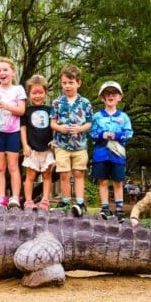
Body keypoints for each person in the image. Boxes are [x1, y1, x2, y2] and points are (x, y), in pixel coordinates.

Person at [50, 64, 93, 217]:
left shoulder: (85, 103)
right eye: (64, 83)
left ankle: (80, 202)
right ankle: (65, 201)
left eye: (71, 82)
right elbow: (52, 122)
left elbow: (89, 122)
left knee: (79, 173)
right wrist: (59, 128)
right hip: (61, 144)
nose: (67, 86)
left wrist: (80, 129)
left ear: (78, 83)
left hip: (80, 145)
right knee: (64, 174)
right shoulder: (56, 103)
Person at [0, 57, 26, 209]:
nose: (2, 73)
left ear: (13, 72)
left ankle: (15, 197)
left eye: (5, 70)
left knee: (13, 166)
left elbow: (21, 110)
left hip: (13, 132)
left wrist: (7, 106)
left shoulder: (18, 89)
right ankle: (1, 197)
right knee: (0, 168)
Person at [89, 81, 133, 222]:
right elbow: (91, 132)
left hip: (117, 153)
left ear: (120, 97)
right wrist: (102, 135)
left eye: (114, 93)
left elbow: (129, 133)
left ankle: (119, 210)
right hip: (101, 153)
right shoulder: (97, 116)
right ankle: (105, 208)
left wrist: (118, 135)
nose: (110, 96)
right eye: (107, 93)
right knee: (102, 181)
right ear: (102, 98)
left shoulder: (123, 117)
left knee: (118, 181)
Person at [20, 75, 55, 211]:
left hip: (47, 149)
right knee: (30, 175)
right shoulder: (26, 111)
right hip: (32, 149)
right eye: (34, 93)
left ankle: (45, 200)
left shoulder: (50, 110)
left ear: (45, 93)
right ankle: (28, 201)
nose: (37, 96)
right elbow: (23, 129)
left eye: (40, 92)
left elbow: (53, 126)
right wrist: (25, 145)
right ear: (29, 94)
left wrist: (54, 139)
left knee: (47, 175)